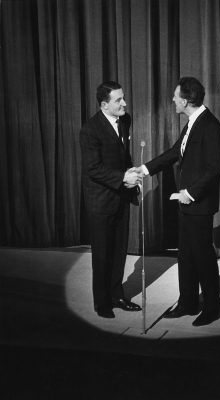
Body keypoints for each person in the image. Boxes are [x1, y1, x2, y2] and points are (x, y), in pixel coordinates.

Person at [138, 77, 220, 326]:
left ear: (185, 101)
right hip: (186, 202)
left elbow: (214, 169)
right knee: (185, 255)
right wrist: (144, 169)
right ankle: (187, 302)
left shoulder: (209, 125)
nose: (173, 99)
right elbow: (175, 153)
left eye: (176, 96)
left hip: (198, 203)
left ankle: (211, 307)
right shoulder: (192, 123)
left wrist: (190, 193)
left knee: (203, 256)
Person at [80, 81, 142, 318]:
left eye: (123, 97)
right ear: (104, 105)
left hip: (121, 196)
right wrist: (122, 178)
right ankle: (102, 302)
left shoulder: (125, 120)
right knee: (103, 253)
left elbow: (122, 155)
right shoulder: (90, 130)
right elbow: (93, 168)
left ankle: (117, 295)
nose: (124, 103)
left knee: (119, 251)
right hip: (101, 201)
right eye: (118, 100)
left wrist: (131, 176)